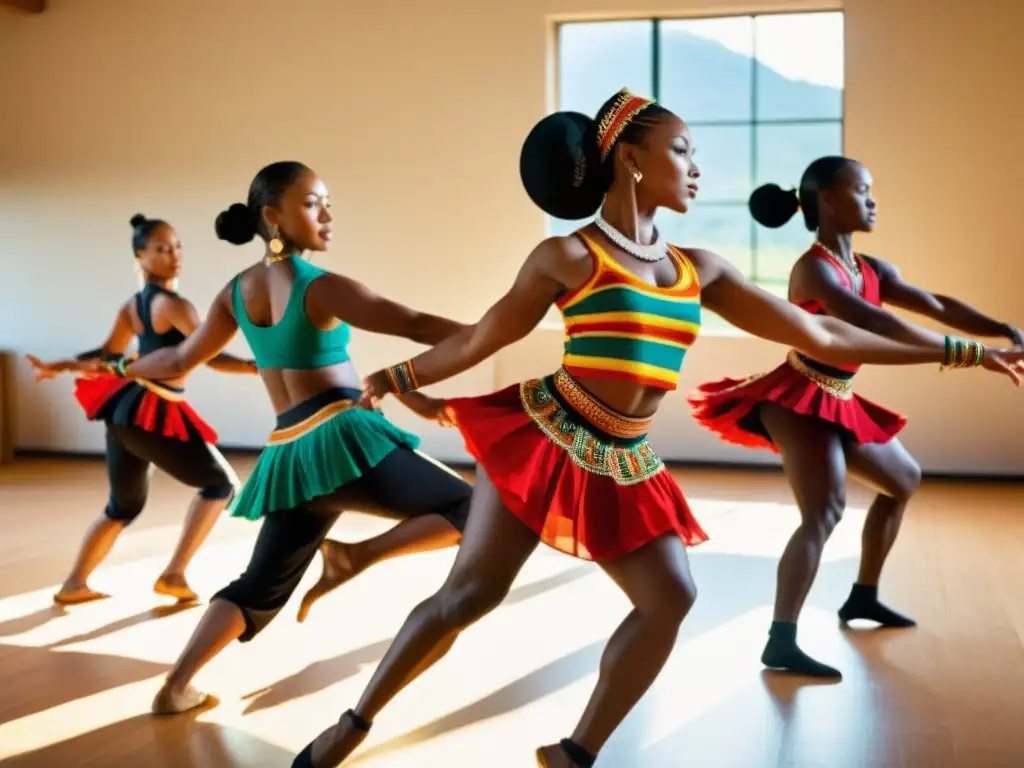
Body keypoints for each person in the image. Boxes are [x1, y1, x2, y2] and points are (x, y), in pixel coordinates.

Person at [290, 89, 1024, 768]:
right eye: (681, 150)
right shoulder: (569, 256)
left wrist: (961, 350)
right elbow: (484, 337)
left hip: (626, 456)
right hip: (549, 434)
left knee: (670, 597)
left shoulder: (697, 269)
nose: (696, 167)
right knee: (469, 597)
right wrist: (398, 378)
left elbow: (820, 337)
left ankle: (574, 754)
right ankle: (353, 722)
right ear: (632, 161)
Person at [112, 162, 475, 715]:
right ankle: (355, 557)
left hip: (291, 455)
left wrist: (123, 368)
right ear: (272, 216)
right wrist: (503, 329)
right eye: (312, 204)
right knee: (471, 508)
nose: (327, 216)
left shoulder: (236, 292)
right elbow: (419, 325)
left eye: (328, 204)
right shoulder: (321, 287)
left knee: (260, 584)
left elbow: (181, 358)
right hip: (341, 439)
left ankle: (175, 686)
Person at [687, 156, 1024, 679]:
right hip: (797, 396)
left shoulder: (872, 269)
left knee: (903, 480)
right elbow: (874, 321)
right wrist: (976, 354)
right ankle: (781, 639)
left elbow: (933, 303)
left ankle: (862, 597)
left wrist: (1001, 326)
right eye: (862, 189)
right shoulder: (814, 269)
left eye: (872, 190)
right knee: (824, 512)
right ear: (826, 199)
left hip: (837, 394)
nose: (873, 199)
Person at [26, 213, 255, 605]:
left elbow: (107, 356)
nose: (174, 255)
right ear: (141, 256)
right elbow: (209, 356)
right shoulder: (174, 305)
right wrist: (258, 366)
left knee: (124, 505)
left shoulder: (133, 306)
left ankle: (74, 584)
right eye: (162, 249)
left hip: (124, 413)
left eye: (177, 246)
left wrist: (61, 365)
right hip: (151, 411)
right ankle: (174, 574)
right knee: (221, 485)